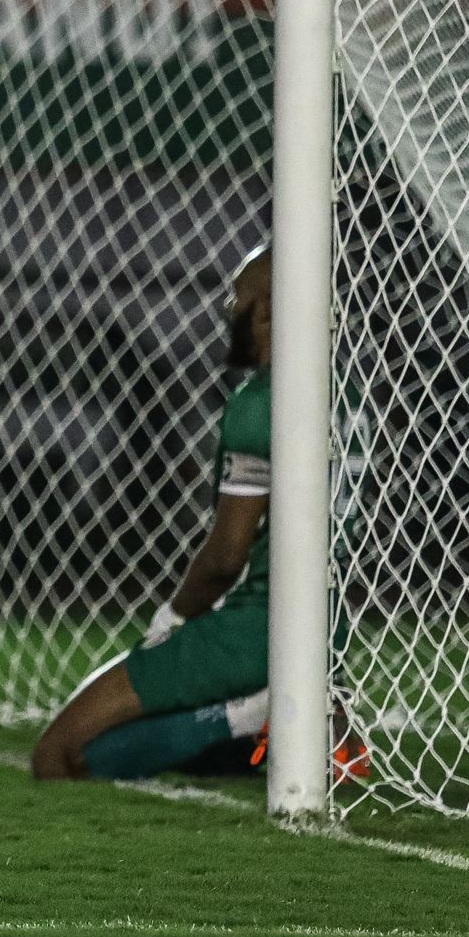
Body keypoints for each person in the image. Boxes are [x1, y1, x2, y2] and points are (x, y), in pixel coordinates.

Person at [32, 247, 367, 782]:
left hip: (252, 628)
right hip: (328, 626)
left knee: (57, 757)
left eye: (236, 297)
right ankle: (252, 718)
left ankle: (250, 713)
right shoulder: (345, 395)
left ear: (262, 309)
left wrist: (176, 618)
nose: (229, 310)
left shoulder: (264, 401)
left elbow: (226, 554)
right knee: (125, 748)